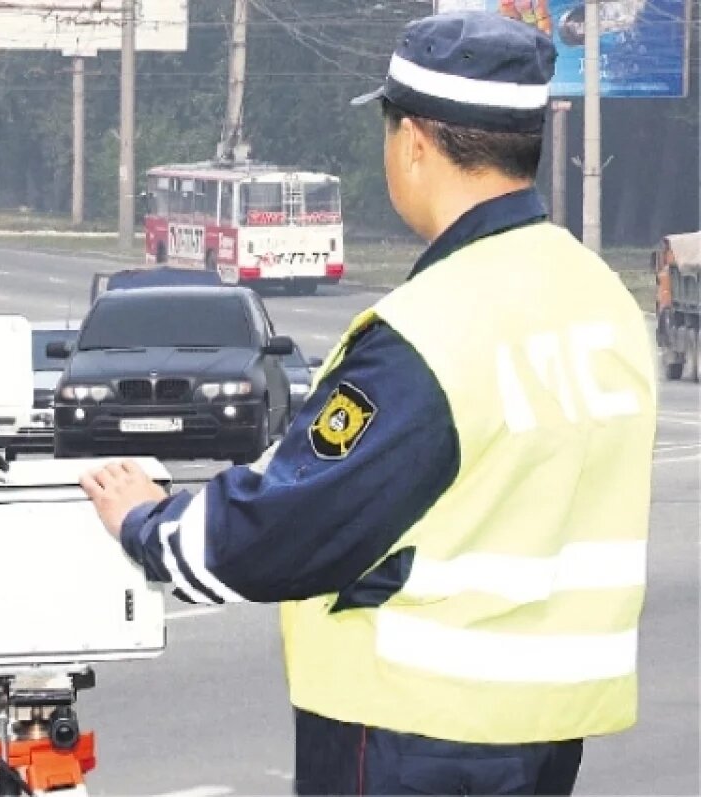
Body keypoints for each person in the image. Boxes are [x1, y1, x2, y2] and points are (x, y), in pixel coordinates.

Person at [80, 11, 657, 796]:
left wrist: (148, 521)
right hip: (547, 732)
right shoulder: (601, 301)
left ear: (414, 142)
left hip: (412, 734)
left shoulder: (435, 327)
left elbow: (285, 526)